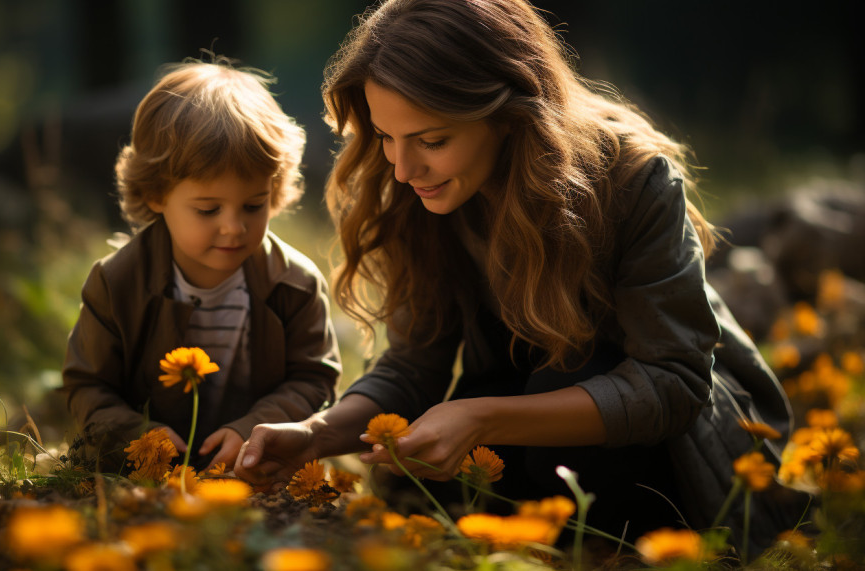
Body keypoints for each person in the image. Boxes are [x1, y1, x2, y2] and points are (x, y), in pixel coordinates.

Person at [234, 0, 808, 551]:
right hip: (518, 421)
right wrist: (317, 434)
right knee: (425, 484)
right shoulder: (418, 194)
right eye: (386, 137)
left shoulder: (633, 179)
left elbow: (675, 385)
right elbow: (415, 367)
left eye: (432, 141)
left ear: (508, 118)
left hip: (670, 453)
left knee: (557, 382)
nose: (404, 169)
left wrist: (482, 418)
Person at [61, 58, 342, 473]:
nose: (234, 227)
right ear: (157, 195)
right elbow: (88, 384)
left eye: (253, 205)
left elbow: (314, 378)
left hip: (256, 471)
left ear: (276, 190)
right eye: (208, 209)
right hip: (144, 475)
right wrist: (133, 434)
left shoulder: (293, 284)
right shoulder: (117, 282)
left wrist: (253, 429)